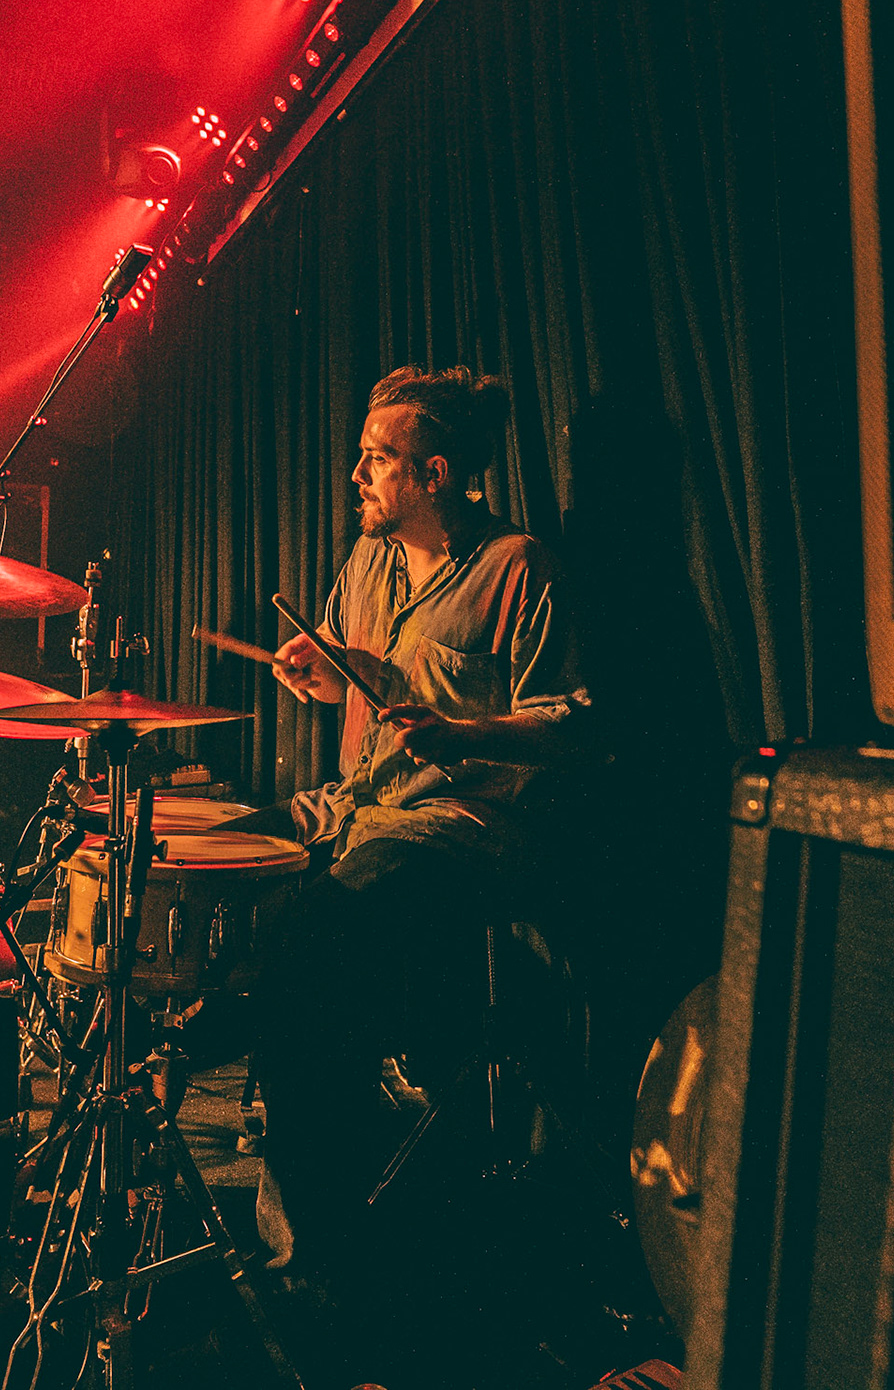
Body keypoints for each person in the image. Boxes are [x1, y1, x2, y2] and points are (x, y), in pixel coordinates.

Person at [234, 366, 590, 1285]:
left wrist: (463, 731)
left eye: (377, 458)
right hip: (357, 802)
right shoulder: (367, 563)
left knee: (310, 941)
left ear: (436, 473)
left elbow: (571, 724)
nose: (356, 473)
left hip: (463, 821)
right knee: (212, 852)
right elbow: (356, 680)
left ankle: (317, 1248)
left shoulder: (519, 567)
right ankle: (329, 1144)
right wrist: (323, 669)